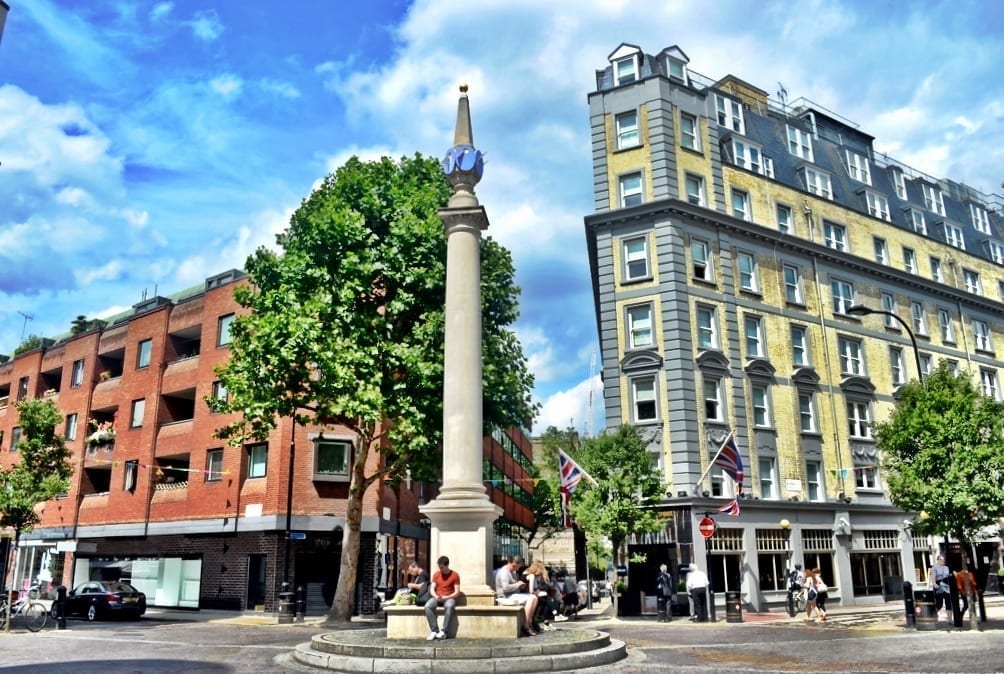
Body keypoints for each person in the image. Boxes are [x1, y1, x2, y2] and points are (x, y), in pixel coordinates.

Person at [496, 555, 539, 636]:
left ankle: (529, 622)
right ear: (514, 564)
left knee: (534, 598)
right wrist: (518, 585)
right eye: (518, 567)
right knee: (532, 597)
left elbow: (514, 587)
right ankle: (526, 625)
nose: (518, 569)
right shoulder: (504, 572)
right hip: (505, 597)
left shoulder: (512, 572)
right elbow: (506, 588)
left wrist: (520, 586)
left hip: (512, 595)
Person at [424, 556, 460, 641]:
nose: (441, 569)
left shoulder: (454, 575)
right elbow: (432, 589)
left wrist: (447, 597)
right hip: (438, 597)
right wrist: (436, 596)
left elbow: (457, 592)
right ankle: (434, 630)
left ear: (447, 565)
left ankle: (444, 631)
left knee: (450, 605)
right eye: (439, 567)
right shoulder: (437, 574)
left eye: (442, 567)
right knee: (428, 606)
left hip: (449, 597)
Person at [524, 559, 565, 630]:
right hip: (525, 595)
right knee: (545, 598)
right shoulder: (531, 575)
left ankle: (548, 621)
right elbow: (531, 590)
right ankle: (555, 615)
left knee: (544, 601)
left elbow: (535, 587)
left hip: (529, 594)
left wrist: (539, 589)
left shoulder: (531, 574)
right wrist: (538, 590)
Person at [929, 555, 953, 622]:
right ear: (938, 560)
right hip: (939, 585)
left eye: (943, 560)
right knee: (939, 604)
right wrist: (934, 584)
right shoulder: (934, 568)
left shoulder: (946, 568)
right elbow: (933, 577)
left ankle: (950, 620)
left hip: (946, 585)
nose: (942, 561)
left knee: (949, 602)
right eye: (941, 560)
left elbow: (948, 576)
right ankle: (933, 615)